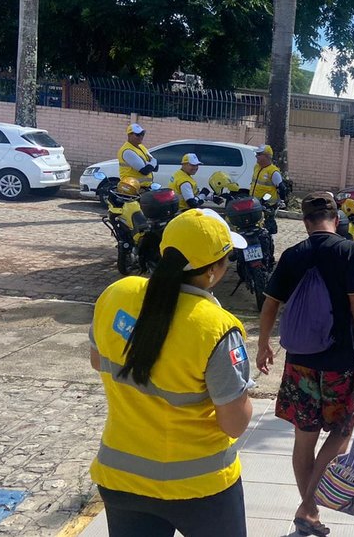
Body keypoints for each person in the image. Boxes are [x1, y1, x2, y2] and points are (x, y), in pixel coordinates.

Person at [89, 208, 255, 537]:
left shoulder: (117, 295)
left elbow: (99, 361)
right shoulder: (215, 327)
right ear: (212, 272)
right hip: (200, 489)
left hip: (122, 479)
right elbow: (234, 423)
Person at [256, 192, 354, 537]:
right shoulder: (350, 251)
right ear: (337, 219)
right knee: (342, 433)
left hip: (299, 362)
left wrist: (263, 345)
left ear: (305, 222)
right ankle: (308, 504)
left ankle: (310, 509)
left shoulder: (293, 254)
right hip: (342, 363)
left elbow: (270, 306)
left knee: (304, 439)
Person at [249, 145, 284, 234]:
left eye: (259, 154)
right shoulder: (256, 167)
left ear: (267, 156)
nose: (256, 156)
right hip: (254, 203)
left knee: (267, 228)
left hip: (268, 206)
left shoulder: (273, 172)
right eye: (256, 154)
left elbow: (281, 188)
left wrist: (281, 202)